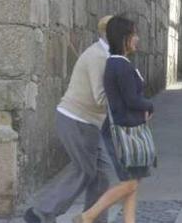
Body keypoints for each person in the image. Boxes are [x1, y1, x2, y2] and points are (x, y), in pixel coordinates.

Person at [25, 15, 115, 223]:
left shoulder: (109, 56)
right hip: (76, 120)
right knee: (85, 170)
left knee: (101, 172)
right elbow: (100, 97)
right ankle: (42, 212)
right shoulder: (98, 57)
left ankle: (93, 218)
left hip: (89, 123)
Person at [76, 16, 154, 223]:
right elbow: (131, 100)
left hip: (126, 128)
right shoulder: (120, 66)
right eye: (134, 35)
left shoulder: (117, 63)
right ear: (123, 38)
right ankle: (88, 216)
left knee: (133, 182)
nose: (137, 39)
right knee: (130, 184)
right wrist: (149, 105)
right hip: (125, 132)